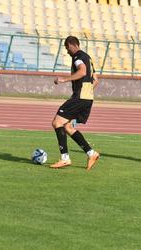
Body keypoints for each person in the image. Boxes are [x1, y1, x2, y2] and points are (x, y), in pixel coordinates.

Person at [51, 36, 99, 170]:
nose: (67, 51)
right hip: (87, 98)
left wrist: (63, 80)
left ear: (72, 45)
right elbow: (96, 79)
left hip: (80, 98)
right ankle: (92, 153)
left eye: (67, 48)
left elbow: (82, 72)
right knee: (67, 127)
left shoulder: (78, 56)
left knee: (57, 122)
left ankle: (65, 158)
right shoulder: (87, 57)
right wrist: (86, 92)